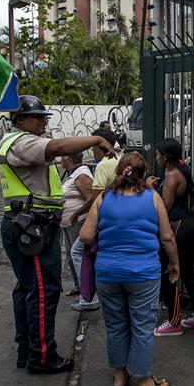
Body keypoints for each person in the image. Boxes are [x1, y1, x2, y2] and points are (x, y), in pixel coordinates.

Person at [0, 94, 114, 374]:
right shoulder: (22, 142)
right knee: (42, 291)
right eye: (37, 117)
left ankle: (27, 350)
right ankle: (42, 357)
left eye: (44, 117)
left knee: (27, 288)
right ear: (19, 120)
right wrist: (96, 139)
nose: (44, 122)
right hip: (32, 228)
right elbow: (58, 146)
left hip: (28, 225)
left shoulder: (16, 142)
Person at [79, 153, 179, 386]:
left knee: (115, 325)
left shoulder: (104, 198)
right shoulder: (152, 197)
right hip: (143, 274)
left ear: (119, 172)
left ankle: (120, 375)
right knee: (142, 327)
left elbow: (85, 235)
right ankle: (144, 383)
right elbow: (167, 237)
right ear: (144, 174)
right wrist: (174, 263)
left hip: (107, 273)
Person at [148, 138, 194, 336]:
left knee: (169, 272)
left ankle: (174, 323)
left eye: (158, 154)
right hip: (188, 224)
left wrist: (150, 190)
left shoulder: (172, 176)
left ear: (165, 157)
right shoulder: (183, 170)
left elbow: (163, 209)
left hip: (177, 227)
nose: (157, 157)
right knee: (188, 273)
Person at [68, 128, 120, 311]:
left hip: (104, 219)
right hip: (118, 218)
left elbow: (95, 199)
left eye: (93, 146)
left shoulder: (103, 165)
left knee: (77, 252)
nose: (92, 150)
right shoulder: (119, 159)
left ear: (99, 146)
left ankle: (88, 297)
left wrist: (77, 215)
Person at [59, 153, 93, 296]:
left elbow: (91, 199)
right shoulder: (72, 173)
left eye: (62, 158)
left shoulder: (81, 175)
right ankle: (78, 286)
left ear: (69, 160)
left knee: (78, 255)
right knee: (70, 255)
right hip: (68, 223)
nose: (60, 160)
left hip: (77, 222)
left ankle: (87, 291)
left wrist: (75, 214)